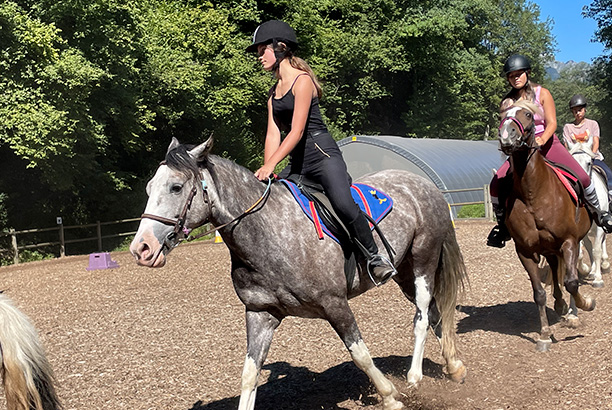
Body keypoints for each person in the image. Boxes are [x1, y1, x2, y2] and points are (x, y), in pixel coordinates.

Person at [246, 20, 396, 284]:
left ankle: (375, 258)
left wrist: (271, 166)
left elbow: (296, 132)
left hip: (323, 156)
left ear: (280, 48)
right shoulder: (273, 94)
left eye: (262, 51)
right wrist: (266, 166)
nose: (260, 57)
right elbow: (273, 133)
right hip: (298, 164)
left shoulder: (303, 82)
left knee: (343, 203)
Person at [487, 54, 612, 248]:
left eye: (519, 74)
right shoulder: (507, 102)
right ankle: (502, 227)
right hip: (520, 152)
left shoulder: (542, 93)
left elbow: (552, 122)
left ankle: (600, 214)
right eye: (512, 76)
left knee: (583, 177)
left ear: (527, 73)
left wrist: (542, 139)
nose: (516, 78)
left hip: (547, 144)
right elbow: (505, 126)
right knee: (495, 184)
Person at [563, 94, 612, 202]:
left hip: (592, 157)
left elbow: (595, 143)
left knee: (608, 174)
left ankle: (610, 195)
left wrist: (592, 156)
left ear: (585, 109)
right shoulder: (568, 127)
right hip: (575, 159)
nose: (577, 113)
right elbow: (567, 147)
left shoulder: (593, 124)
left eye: (580, 110)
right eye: (574, 111)